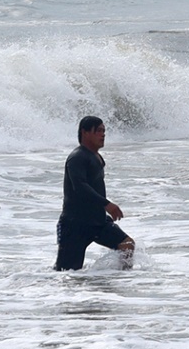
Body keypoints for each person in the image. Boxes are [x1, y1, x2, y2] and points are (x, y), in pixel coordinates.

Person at [55, 116, 134, 271]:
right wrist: (106, 204)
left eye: (104, 131)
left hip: (97, 221)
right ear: (85, 133)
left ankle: (124, 280)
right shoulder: (77, 157)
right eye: (98, 131)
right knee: (67, 272)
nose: (103, 135)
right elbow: (80, 187)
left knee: (127, 245)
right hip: (75, 224)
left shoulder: (95, 156)